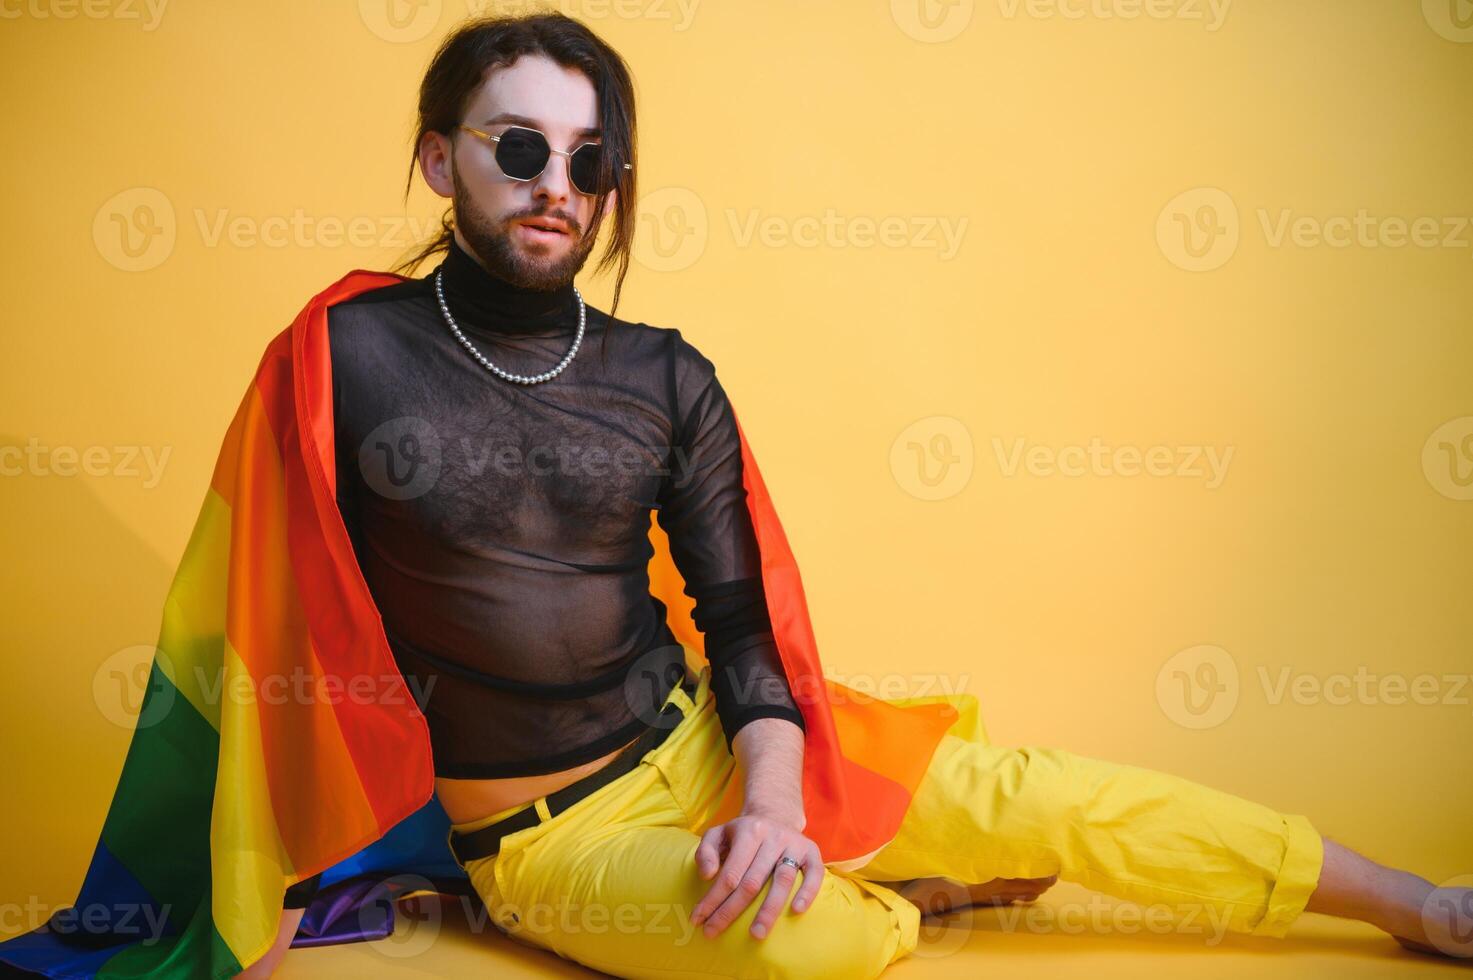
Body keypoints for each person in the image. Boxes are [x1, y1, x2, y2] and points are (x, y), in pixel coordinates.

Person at [243, 12, 1467, 978]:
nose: (555, 183)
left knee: (1055, 793)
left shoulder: (664, 373)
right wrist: (261, 866)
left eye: (589, 157)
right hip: (553, 837)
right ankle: (904, 897)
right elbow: (259, 609)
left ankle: (1409, 902)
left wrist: (773, 803)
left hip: (715, 745)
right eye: (517, 146)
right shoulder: (342, 358)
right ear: (438, 157)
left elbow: (741, 624)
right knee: (794, 939)